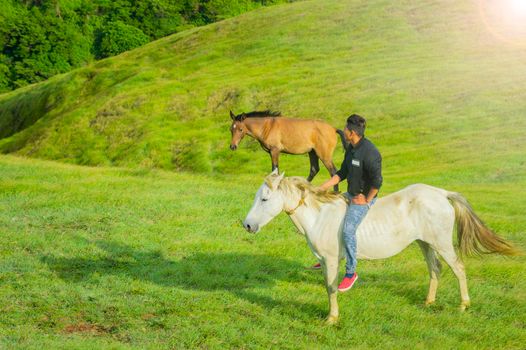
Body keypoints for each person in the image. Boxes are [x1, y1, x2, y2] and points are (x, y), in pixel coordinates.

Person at [314, 114, 383, 292]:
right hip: (350, 194)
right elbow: (341, 173)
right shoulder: (351, 148)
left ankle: (351, 272)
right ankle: (329, 257)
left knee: (348, 229)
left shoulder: (370, 153)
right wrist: (323, 187)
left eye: (345, 128)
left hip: (363, 198)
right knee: (327, 210)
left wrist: (366, 199)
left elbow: (377, 182)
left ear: (351, 133)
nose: (343, 130)